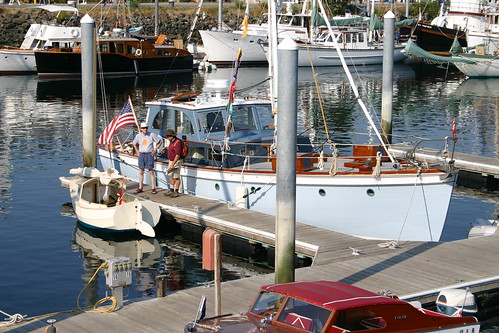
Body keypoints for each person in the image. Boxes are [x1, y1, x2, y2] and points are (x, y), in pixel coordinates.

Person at [133, 122, 162, 194]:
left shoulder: (151, 134)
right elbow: (134, 143)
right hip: (141, 154)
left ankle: (153, 188)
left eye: (146, 128)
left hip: (149, 154)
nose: (145, 129)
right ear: (141, 129)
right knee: (141, 171)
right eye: (143, 128)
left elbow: (160, 141)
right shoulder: (138, 136)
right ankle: (140, 187)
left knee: (151, 171)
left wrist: (155, 150)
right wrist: (137, 150)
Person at [162, 129, 183, 198]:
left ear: (171, 136)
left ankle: (176, 191)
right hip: (171, 160)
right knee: (170, 175)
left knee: (176, 176)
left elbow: (178, 154)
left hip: (176, 161)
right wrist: (166, 148)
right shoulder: (172, 142)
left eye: (168, 137)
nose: (167, 138)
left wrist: (173, 164)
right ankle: (171, 190)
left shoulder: (178, 142)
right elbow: (172, 149)